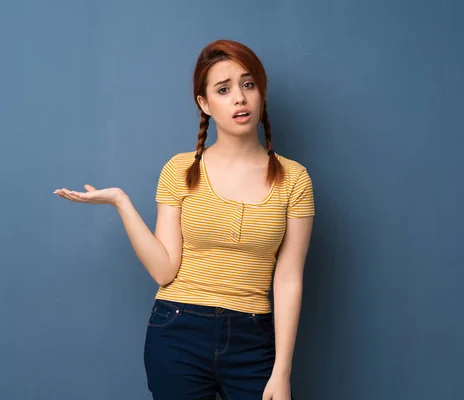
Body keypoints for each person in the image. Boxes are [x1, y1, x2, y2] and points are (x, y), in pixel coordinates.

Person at [54, 39, 314, 400]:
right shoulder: (180, 170)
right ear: (204, 103)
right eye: (223, 90)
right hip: (178, 330)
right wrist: (121, 202)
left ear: (261, 93)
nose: (239, 97)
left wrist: (281, 370)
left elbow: (288, 279)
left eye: (248, 84)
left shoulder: (295, 179)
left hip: (253, 338)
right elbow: (164, 271)